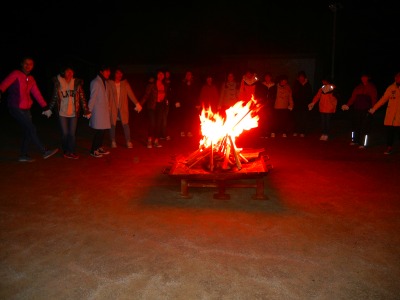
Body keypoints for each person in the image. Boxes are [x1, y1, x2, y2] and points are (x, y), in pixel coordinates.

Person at [0, 56, 58, 162]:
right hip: (15, 107)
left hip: (27, 109)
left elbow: (36, 93)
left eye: (30, 64)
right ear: (22, 64)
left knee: (28, 131)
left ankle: (23, 155)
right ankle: (44, 151)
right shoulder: (16, 74)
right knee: (31, 128)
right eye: (26, 63)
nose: (28, 66)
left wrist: (45, 107)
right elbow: (4, 84)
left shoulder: (31, 79)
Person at [49, 66, 90, 159]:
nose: (70, 74)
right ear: (64, 72)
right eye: (68, 72)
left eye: (71, 72)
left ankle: (71, 151)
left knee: (72, 134)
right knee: (65, 134)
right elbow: (54, 97)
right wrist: (49, 108)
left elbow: (82, 97)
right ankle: (65, 150)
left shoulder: (76, 83)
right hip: (62, 113)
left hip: (73, 113)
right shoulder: (58, 83)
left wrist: (86, 110)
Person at [108, 68, 142, 149]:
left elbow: (131, 94)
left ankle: (128, 141)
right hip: (113, 107)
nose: (119, 75)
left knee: (125, 124)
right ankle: (113, 141)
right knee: (112, 124)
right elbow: (106, 95)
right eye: (117, 73)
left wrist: (137, 103)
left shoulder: (125, 83)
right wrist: (107, 106)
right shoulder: (109, 83)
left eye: (121, 73)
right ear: (114, 74)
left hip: (122, 107)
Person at [341, 73, 377, 149]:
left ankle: (363, 143)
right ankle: (354, 140)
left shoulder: (371, 87)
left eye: (365, 77)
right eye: (362, 77)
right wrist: (347, 105)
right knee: (355, 125)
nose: (363, 79)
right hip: (357, 109)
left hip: (366, 110)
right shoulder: (358, 87)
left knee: (365, 127)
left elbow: (374, 98)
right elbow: (353, 97)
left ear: (368, 78)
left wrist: (374, 108)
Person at [368, 71, 400, 154]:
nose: (398, 78)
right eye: (396, 76)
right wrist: (374, 108)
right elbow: (383, 99)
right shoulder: (391, 88)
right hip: (391, 115)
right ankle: (389, 148)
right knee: (390, 133)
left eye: (399, 77)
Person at [87, 65, 112, 158]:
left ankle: (99, 147)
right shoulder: (95, 82)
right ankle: (93, 150)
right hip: (98, 111)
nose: (108, 73)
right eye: (106, 71)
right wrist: (88, 110)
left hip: (104, 111)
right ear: (101, 72)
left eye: (109, 71)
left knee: (103, 130)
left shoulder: (104, 81)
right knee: (99, 131)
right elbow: (92, 97)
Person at [140, 70, 168, 148]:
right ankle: (149, 140)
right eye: (159, 74)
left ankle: (156, 141)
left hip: (160, 106)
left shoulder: (164, 85)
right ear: (156, 75)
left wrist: (166, 103)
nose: (161, 75)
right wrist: (140, 104)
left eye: (162, 74)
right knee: (152, 123)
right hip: (152, 106)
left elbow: (166, 96)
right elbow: (146, 95)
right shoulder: (152, 84)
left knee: (158, 124)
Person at [175, 70, 200, 138]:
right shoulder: (182, 83)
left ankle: (189, 131)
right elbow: (178, 92)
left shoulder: (194, 83)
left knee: (190, 118)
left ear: (191, 76)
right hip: (183, 103)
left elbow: (196, 94)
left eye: (190, 74)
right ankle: (182, 131)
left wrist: (197, 103)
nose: (188, 76)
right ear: (185, 76)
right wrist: (177, 101)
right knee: (183, 118)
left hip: (191, 103)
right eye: (187, 74)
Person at [292, 71, 313, 137]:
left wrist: (309, 103)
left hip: (304, 105)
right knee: (296, 118)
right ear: (298, 78)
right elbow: (294, 94)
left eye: (302, 77)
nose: (301, 78)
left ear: (304, 77)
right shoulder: (296, 84)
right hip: (297, 105)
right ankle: (296, 131)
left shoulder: (307, 84)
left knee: (304, 118)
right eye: (300, 77)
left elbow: (309, 94)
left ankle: (302, 131)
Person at [255, 72, 277, 138]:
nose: (267, 78)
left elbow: (275, 95)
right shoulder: (262, 85)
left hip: (270, 105)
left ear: (271, 78)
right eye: (266, 77)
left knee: (270, 119)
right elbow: (259, 94)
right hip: (263, 104)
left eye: (269, 77)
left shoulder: (274, 86)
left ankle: (269, 132)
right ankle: (262, 133)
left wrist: (272, 102)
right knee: (262, 119)